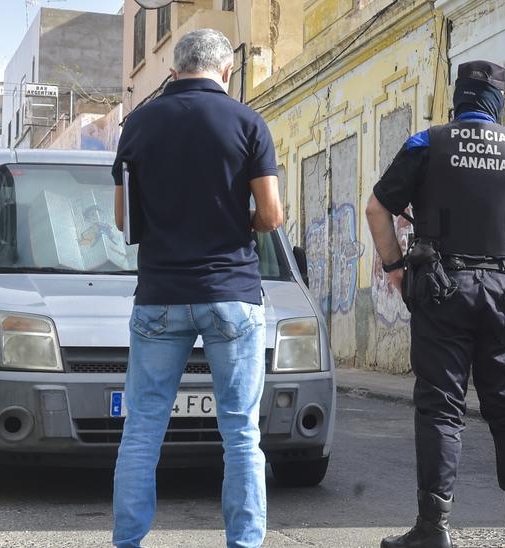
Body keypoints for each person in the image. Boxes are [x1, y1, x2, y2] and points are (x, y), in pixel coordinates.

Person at [366, 60, 505, 548]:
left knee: (441, 408)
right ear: (499, 101)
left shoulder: (427, 143)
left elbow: (377, 207)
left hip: (443, 288)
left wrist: (396, 268)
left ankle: (432, 529)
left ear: (457, 97)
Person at [110, 29, 284, 548]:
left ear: (174, 68)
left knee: (142, 431)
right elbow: (271, 215)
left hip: (160, 293)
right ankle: (244, 543)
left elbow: (124, 220)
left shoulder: (137, 124)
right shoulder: (249, 122)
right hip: (232, 291)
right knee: (241, 435)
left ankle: (128, 542)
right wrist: (238, 220)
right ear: (226, 71)